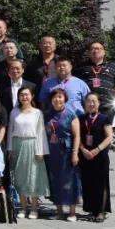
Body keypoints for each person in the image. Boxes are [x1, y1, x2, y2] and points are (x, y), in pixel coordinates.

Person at [7, 87, 49, 220]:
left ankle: (34, 208)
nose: (24, 97)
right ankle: (23, 207)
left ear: (32, 96)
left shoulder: (37, 113)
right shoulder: (14, 112)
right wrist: (9, 149)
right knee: (20, 177)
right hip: (17, 145)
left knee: (33, 176)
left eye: (26, 95)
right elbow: (10, 131)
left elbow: (41, 132)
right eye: (21, 95)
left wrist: (40, 150)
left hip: (32, 144)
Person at [45, 89, 81, 221]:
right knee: (55, 180)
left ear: (65, 98)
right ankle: (59, 211)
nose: (57, 99)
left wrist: (75, 153)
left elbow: (77, 136)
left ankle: (72, 212)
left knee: (70, 181)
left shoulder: (71, 115)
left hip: (67, 151)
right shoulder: (47, 115)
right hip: (52, 151)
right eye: (54, 97)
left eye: (60, 97)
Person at [79, 93, 112, 222]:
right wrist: (83, 149)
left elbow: (109, 137)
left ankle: (101, 211)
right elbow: (77, 137)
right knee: (88, 183)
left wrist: (97, 150)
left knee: (101, 184)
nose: (91, 104)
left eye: (94, 101)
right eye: (88, 101)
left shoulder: (104, 118)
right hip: (85, 156)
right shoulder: (81, 118)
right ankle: (92, 210)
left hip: (100, 156)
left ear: (99, 103)